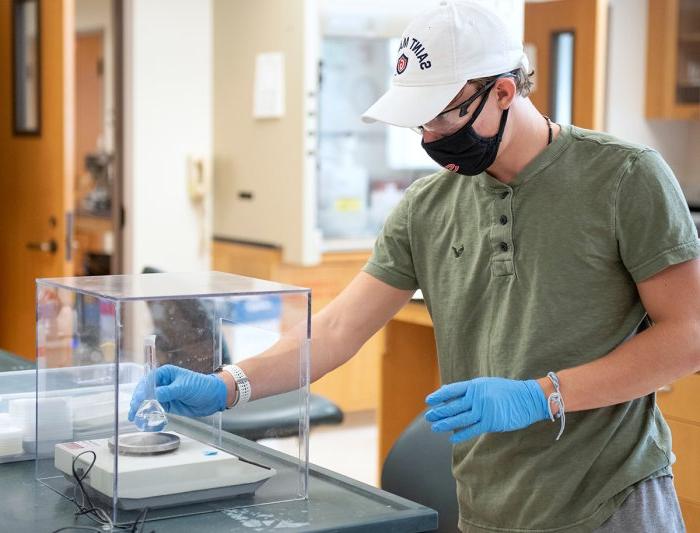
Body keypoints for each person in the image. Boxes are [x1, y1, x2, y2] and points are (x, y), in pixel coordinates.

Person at [129, 1, 700, 531]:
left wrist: (541, 394)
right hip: (487, 499)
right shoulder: (427, 207)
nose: (428, 139)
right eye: (417, 124)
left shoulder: (626, 177)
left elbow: (687, 335)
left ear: (503, 91)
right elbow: (336, 329)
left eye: (442, 119)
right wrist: (229, 385)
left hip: (613, 500)